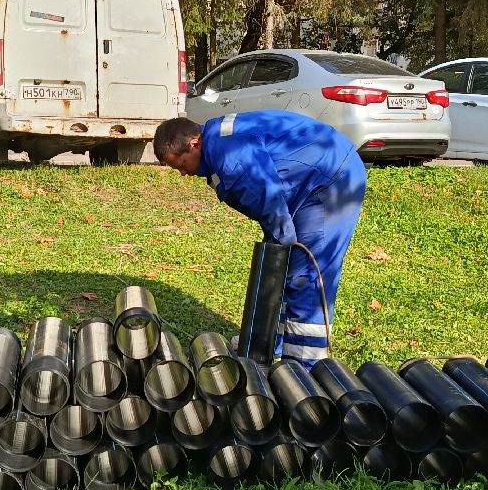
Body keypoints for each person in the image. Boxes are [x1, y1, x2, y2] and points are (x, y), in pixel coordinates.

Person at [152, 111, 367, 364]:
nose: (183, 174)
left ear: (194, 143)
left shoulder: (229, 154)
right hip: (307, 181)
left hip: (330, 181)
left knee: (304, 275)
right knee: (281, 268)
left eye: (181, 165)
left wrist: (284, 243)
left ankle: (304, 369)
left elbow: (267, 199)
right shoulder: (217, 143)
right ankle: (268, 346)